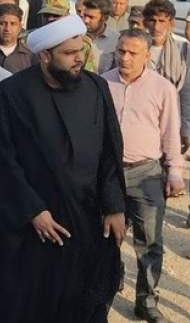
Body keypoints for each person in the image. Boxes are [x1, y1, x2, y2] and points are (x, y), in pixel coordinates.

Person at [0, 14, 127, 323]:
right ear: (45, 56)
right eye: (69, 53)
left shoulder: (96, 87)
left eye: (80, 51)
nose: (79, 59)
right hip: (36, 228)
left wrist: (114, 206)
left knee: (84, 303)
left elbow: (110, 152)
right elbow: (3, 160)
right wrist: (33, 210)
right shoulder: (13, 92)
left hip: (87, 220)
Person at [102, 29, 185, 323]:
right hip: (107, 173)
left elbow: (170, 133)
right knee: (105, 237)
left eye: (132, 53)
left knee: (149, 241)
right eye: (121, 51)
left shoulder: (163, 88)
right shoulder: (102, 84)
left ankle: (146, 300)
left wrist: (174, 172)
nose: (125, 58)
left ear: (147, 56)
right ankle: (106, 290)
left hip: (145, 173)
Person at [0, 3, 35, 73]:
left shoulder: (30, 56)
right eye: (2, 23)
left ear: (20, 27)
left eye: (13, 24)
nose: (7, 29)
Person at [82, 0, 119, 74]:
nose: (86, 20)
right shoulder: (75, 35)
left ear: (104, 19)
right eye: (84, 15)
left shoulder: (116, 40)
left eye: (91, 17)